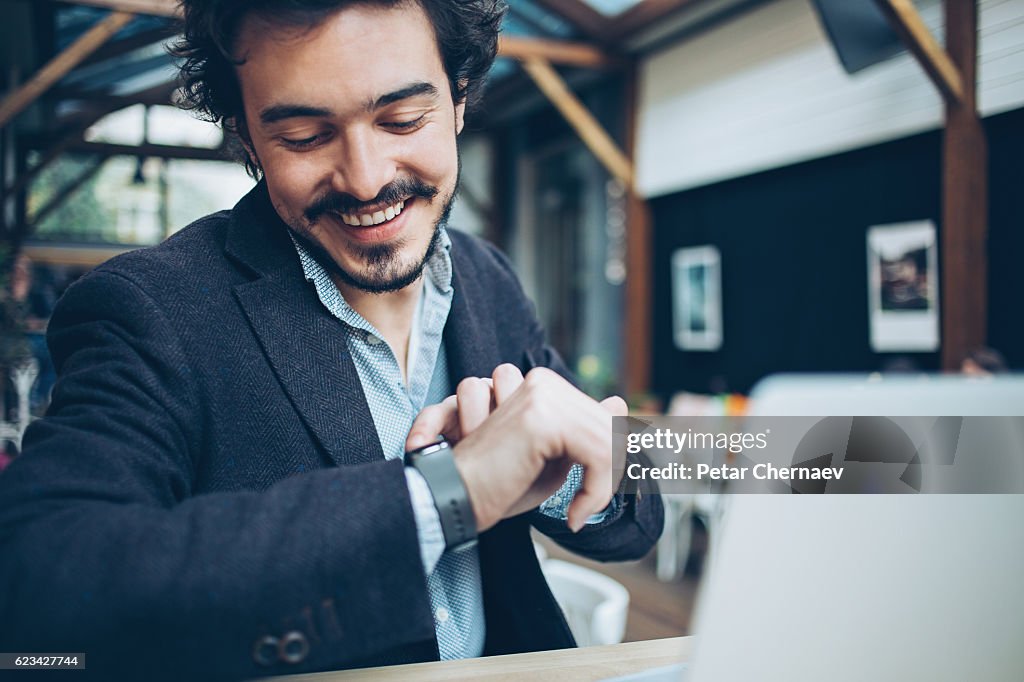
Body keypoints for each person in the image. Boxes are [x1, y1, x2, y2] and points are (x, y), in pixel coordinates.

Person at [0, 1, 663, 680]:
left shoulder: (486, 276)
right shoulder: (150, 309)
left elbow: (640, 512)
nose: (367, 178)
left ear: (460, 99)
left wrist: (559, 468)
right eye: (304, 136)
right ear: (246, 139)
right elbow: (39, 593)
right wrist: (450, 492)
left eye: (403, 119)